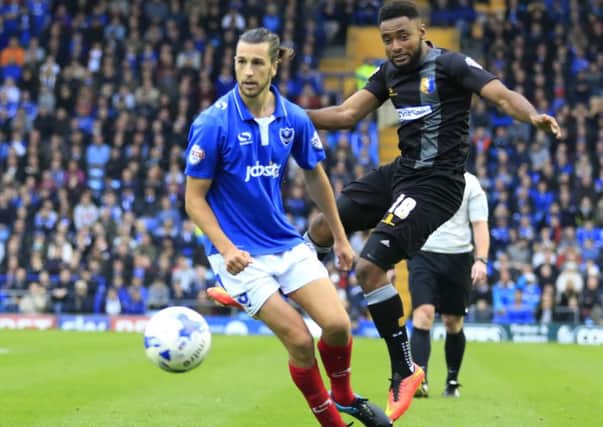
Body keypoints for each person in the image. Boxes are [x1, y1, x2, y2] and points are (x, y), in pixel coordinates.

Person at [302, 0, 561, 422]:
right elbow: (347, 114)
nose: (395, 46)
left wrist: (532, 116)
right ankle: (278, 281)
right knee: (321, 227)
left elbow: (500, 94)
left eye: (402, 36)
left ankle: (405, 370)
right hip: (402, 171)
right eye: (387, 39)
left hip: (437, 184)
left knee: (369, 269)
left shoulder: (451, 65)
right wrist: (290, 116)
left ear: (421, 31)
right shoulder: (388, 73)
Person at [184, 28, 391, 427]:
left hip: (283, 242)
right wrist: (226, 249)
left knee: (337, 325)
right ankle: (333, 423)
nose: (247, 71)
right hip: (239, 257)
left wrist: (342, 239)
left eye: (257, 62)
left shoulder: (292, 118)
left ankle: (345, 395)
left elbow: (316, 177)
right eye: (241, 61)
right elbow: (194, 200)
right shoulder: (212, 123)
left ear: (274, 67)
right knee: (299, 340)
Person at [408, 171, 489, 399]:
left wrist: (481, 260)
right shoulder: (421, 177)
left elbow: (480, 225)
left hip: (458, 257)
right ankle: (419, 380)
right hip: (423, 253)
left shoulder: (471, 183)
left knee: (453, 322)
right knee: (423, 314)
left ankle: (452, 381)